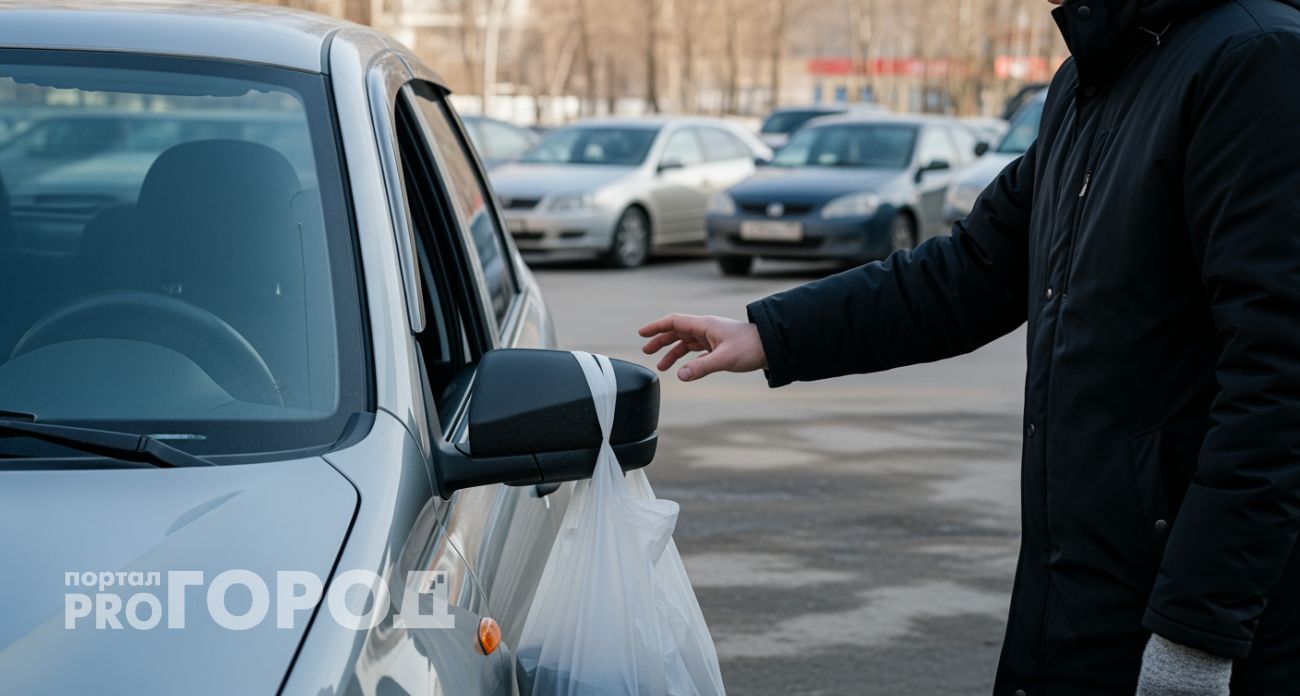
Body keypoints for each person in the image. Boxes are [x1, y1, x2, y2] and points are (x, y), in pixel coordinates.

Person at [640, 0, 1300, 693]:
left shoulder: (1253, 61)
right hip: (1082, 601)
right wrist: (770, 333)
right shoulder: (1093, 80)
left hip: (1192, 626)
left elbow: (1280, 384)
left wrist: (1194, 639)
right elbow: (969, 271)